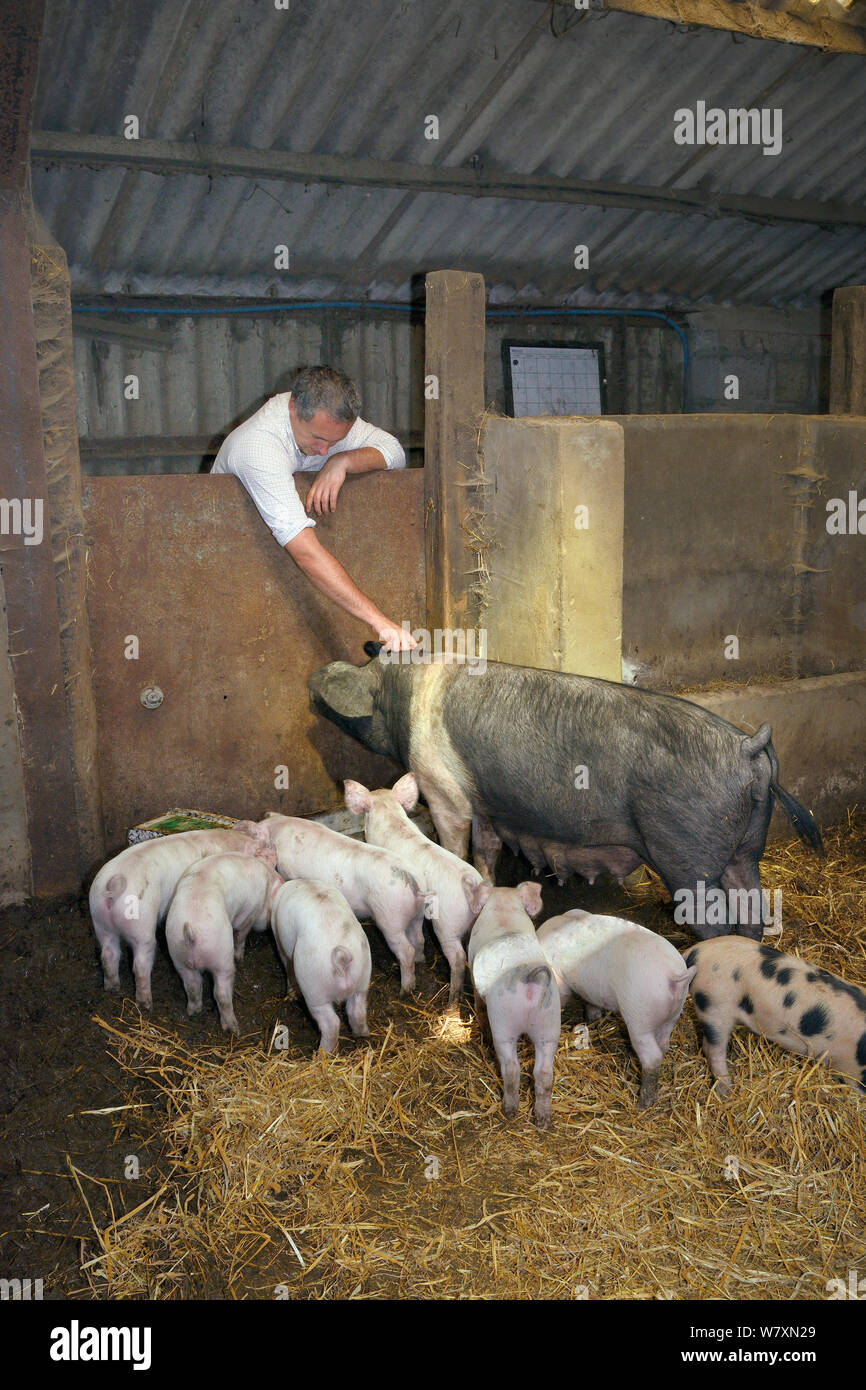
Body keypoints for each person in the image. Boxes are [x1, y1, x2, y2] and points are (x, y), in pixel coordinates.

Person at [212, 364, 416, 651]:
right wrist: (379, 621)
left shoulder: (328, 421)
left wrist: (343, 461)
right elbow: (306, 552)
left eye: (336, 441)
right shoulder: (259, 446)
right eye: (318, 439)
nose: (324, 450)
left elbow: (394, 452)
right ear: (293, 407)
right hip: (232, 568)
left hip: (287, 567)